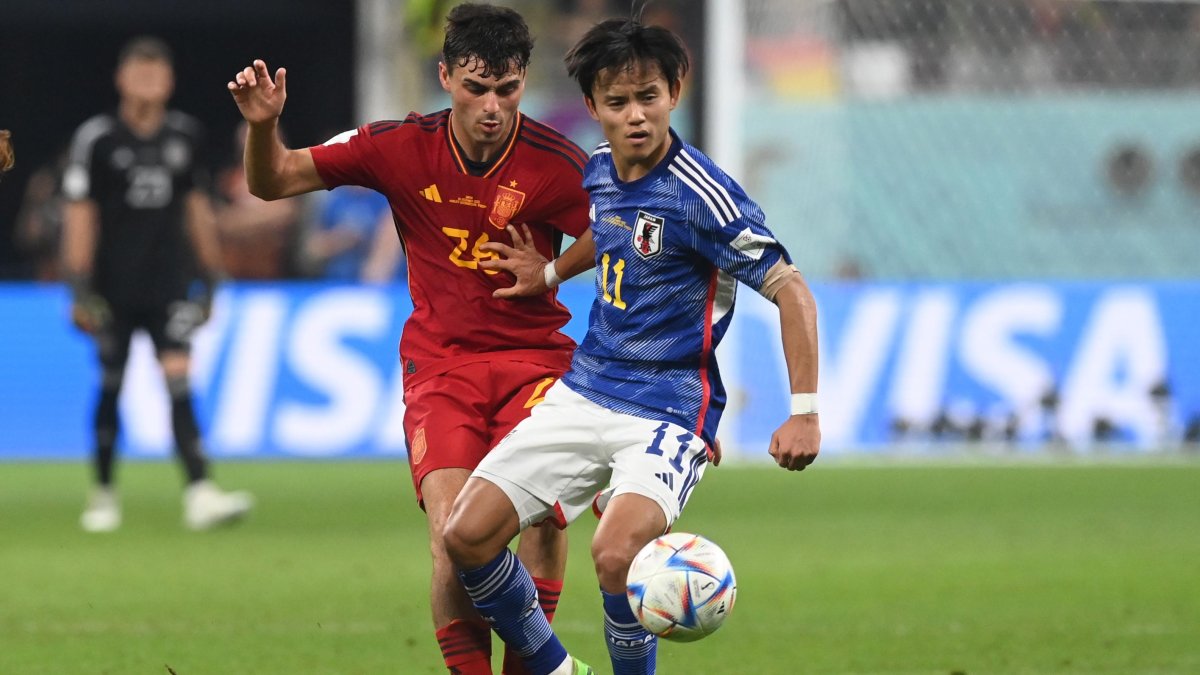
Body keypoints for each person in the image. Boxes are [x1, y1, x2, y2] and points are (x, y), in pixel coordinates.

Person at [442, 18, 821, 675]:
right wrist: (551, 273)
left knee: (616, 553)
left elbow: (790, 288)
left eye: (649, 96)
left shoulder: (706, 197)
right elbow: (607, 229)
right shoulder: (598, 171)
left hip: (668, 408)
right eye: (617, 102)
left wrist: (806, 409)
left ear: (676, 90)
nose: (636, 115)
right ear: (592, 106)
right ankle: (559, 669)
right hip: (584, 390)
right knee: (465, 536)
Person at [227, 5, 596, 674]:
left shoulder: (555, 161)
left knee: (544, 519)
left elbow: (619, 229)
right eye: (476, 87)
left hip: (536, 364)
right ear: (445, 75)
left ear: (523, 84)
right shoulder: (396, 145)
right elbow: (273, 179)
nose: (492, 106)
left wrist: (550, 269)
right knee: (456, 538)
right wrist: (263, 127)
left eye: (507, 90)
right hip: (442, 367)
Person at [61, 37, 253, 533]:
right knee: (111, 381)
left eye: (157, 74)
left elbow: (197, 211)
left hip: (169, 281)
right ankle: (102, 494)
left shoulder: (183, 136)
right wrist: (78, 288)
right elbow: (80, 216)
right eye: (139, 74)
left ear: (168, 82)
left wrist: (211, 279)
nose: (148, 83)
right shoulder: (97, 140)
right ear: (121, 79)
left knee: (178, 376)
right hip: (112, 286)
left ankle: (199, 491)